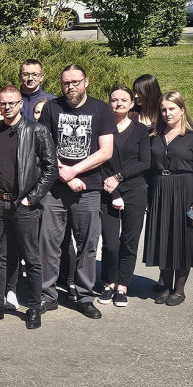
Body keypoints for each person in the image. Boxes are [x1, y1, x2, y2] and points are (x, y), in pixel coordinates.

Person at [0, 86, 57, 329]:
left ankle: (33, 307)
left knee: (31, 257)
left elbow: (51, 169)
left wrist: (32, 198)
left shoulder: (37, 130)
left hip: (24, 204)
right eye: (3, 103)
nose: (7, 107)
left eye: (12, 103)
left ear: (20, 104)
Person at [37, 64, 115, 319]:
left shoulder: (101, 109)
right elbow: (43, 147)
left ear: (86, 82)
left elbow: (106, 151)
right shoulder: (51, 107)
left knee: (88, 245)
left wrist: (75, 170)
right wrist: (66, 175)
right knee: (48, 243)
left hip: (89, 189)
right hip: (55, 190)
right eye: (65, 83)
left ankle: (84, 296)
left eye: (75, 82)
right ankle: (48, 296)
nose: (70, 87)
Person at [143, 91, 193, 307]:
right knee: (163, 239)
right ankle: (165, 285)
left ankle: (179, 290)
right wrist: (147, 195)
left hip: (184, 191)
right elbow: (148, 168)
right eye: (163, 109)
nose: (167, 113)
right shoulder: (154, 135)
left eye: (171, 109)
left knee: (182, 241)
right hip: (159, 190)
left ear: (182, 110)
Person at [97, 87, 151, 308]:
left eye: (124, 100)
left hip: (135, 191)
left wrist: (119, 177)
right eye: (114, 99)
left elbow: (145, 162)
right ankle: (108, 282)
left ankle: (122, 286)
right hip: (107, 191)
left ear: (131, 104)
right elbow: (98, 161)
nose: (118, 103)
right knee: (110, 243)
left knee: (129, 242)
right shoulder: (101, 128)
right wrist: (114, 190)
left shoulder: (140, 130)